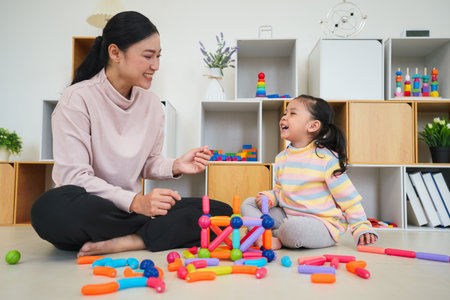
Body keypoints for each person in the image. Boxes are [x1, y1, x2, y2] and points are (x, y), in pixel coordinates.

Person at [31, 11, 232, 257]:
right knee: (48, 209)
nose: (155, 66)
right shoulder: (78, 99)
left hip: (131, 212)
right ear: (115, 53)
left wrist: (176, 165)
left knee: (221, 211)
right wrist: (136, 203)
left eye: (158, 56)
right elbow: (75, 177)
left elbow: (148, 162)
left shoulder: (152, 105)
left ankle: (131, 240)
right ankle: (150, 232)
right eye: (148, 56)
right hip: (95, 208)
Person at [241, 94, 378, 250]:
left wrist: (361, 225)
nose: (284, 117)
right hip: (288, 216)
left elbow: (348, 198)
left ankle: (272, 236)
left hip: (321, 225)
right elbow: (281, 190)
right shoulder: (281, 158)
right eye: (285, 113)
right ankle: (264, 237)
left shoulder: (326, 158)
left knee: (293, 228)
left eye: (292, 113)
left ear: (313, 126)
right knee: (249, 203)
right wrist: (271, 197)